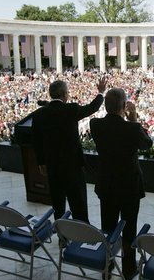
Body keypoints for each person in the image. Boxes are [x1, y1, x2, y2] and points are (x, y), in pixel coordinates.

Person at [90, 88, 153, 280]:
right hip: (129, 186)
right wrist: (134, 119)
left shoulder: (95, 124)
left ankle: (107, 266)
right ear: (124, 106)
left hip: (107, 183)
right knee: (129, 227)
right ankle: (128, 268)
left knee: (108, 226)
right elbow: (147, 144)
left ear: (106, 106)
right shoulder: (132, 128)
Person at [32, 77, 106, 222]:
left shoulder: (39, 114)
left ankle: (62, 236)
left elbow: (36, 140)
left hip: (52, 166)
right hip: (73, 166)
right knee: (78, 203)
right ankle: (82, 233)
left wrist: (41, 162)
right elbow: (92, 108)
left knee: (58, 204)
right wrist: (101, 92)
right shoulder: (71, 109)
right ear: (65, 94)